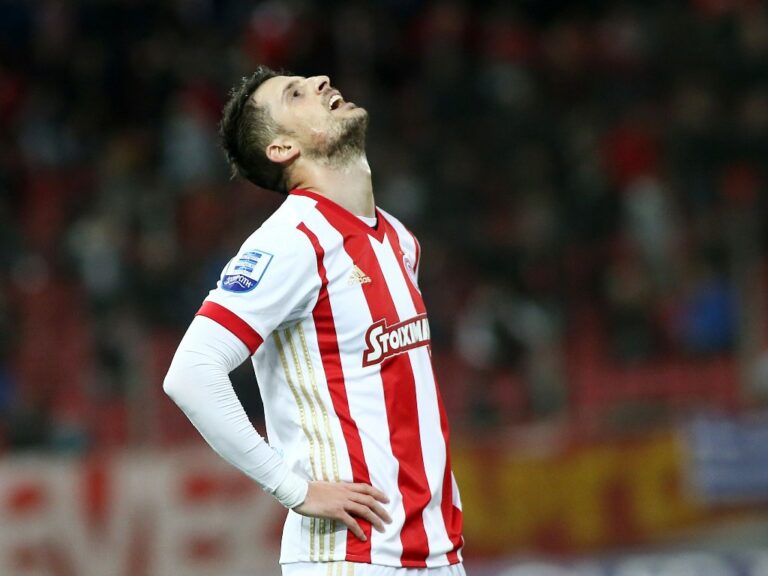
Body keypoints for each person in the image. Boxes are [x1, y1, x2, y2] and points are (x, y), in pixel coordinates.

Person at [163, 65, 465, 576]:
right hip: (352, 558)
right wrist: (292, 488)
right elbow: (191, 372)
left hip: (439, 553)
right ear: (281, 148)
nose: (322, 81)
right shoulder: (291, 240)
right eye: (295, 94)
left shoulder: (398, 238)